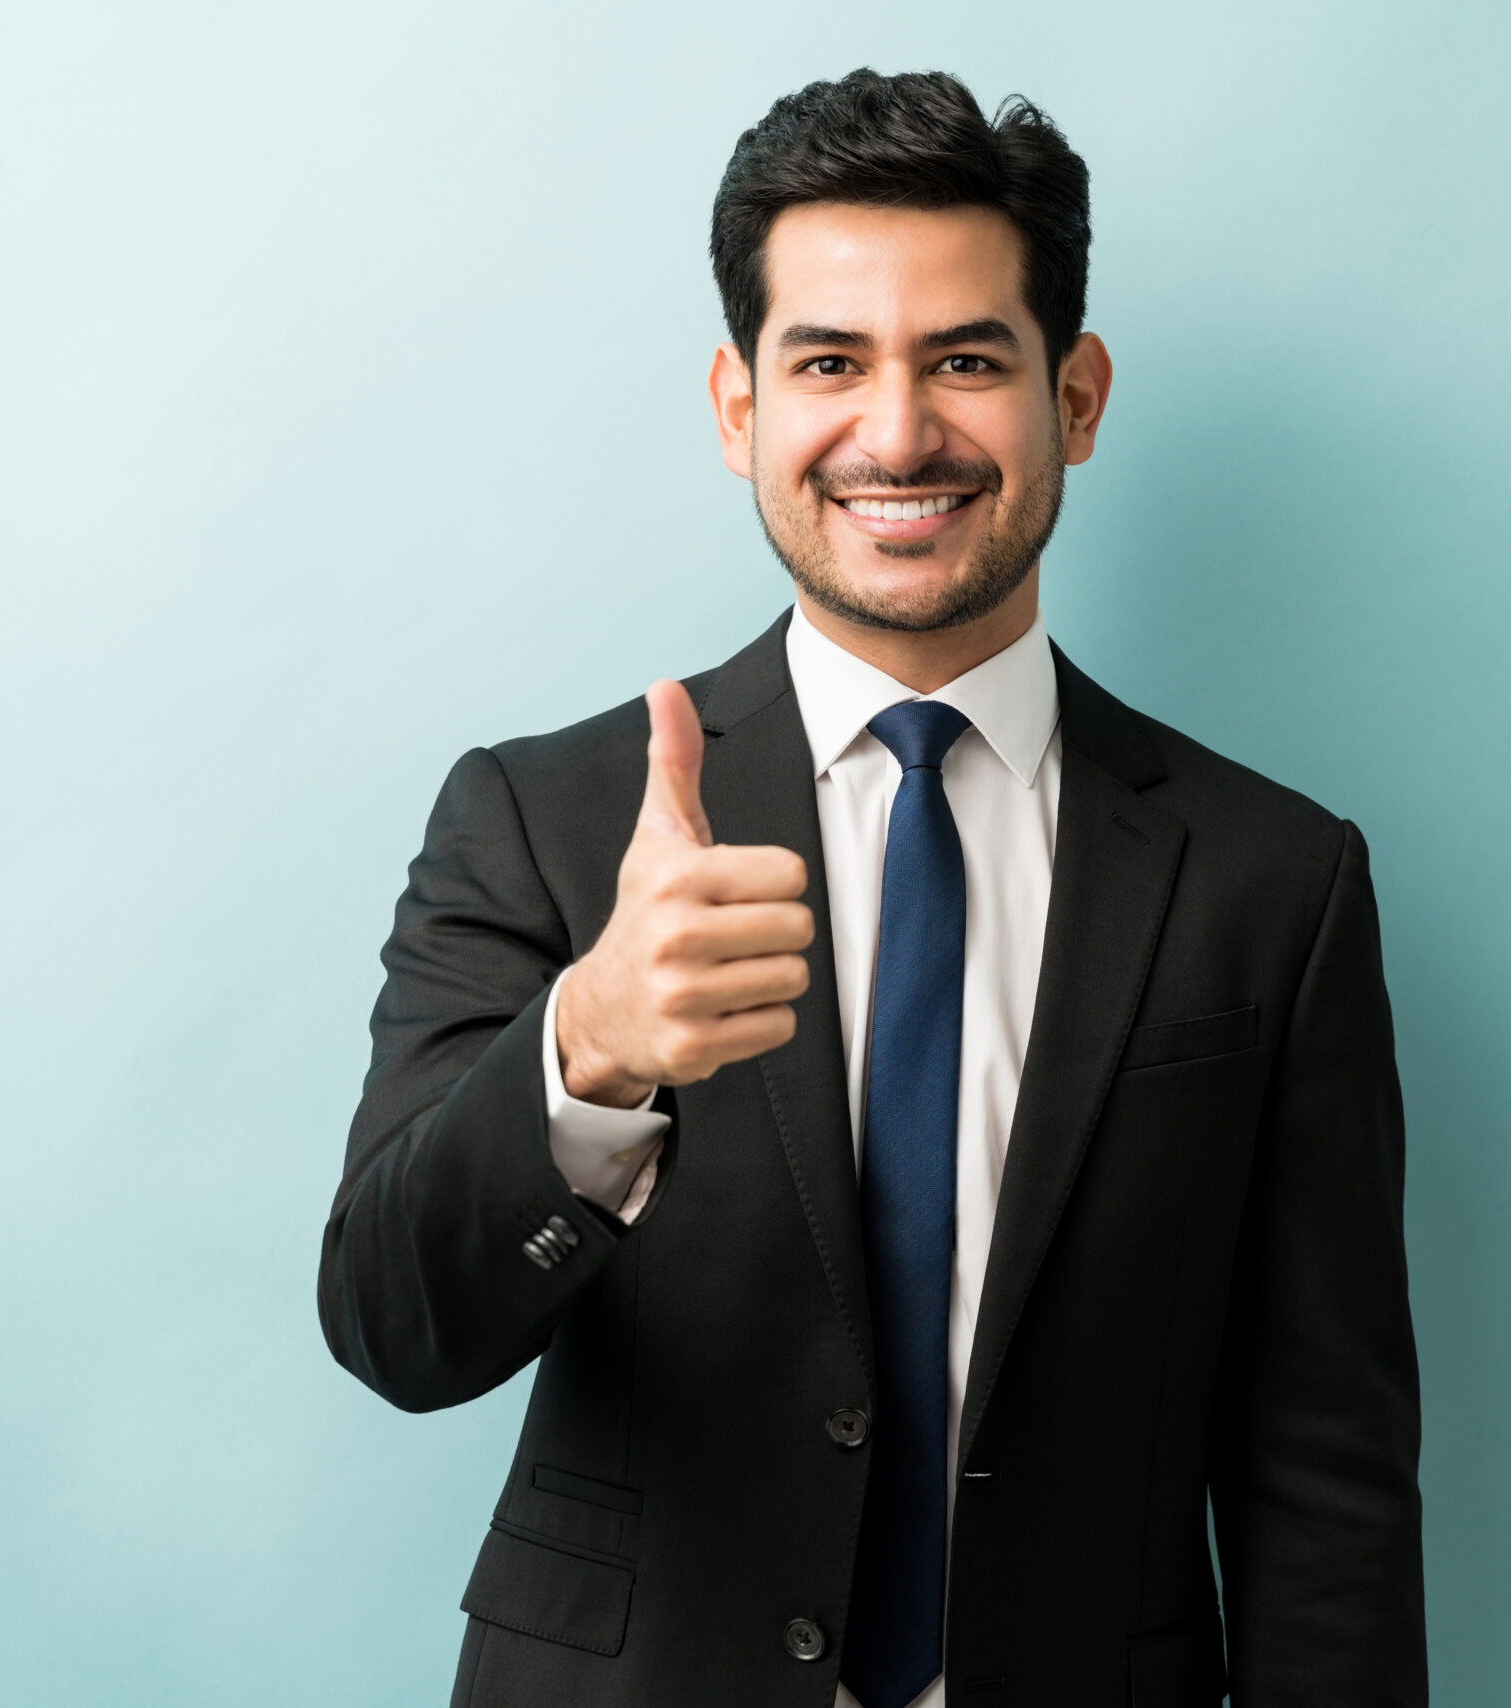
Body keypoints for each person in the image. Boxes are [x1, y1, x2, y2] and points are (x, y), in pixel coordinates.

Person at [319, 68, 1424, 1708]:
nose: (897, 432)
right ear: (738, 407)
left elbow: (1321, 1467)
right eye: (828, 362)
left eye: (967, 360)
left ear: (1080, 396)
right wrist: (592, 1052)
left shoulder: (1276, 879)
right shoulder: (544, 820)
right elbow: (397, 1329)